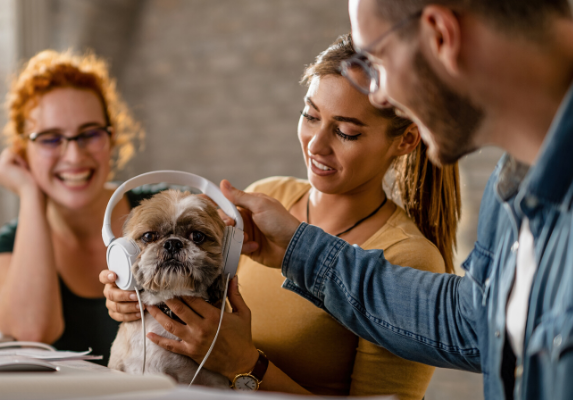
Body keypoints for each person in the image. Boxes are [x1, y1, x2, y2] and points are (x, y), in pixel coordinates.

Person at [213, 1, 573, 399]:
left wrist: (246, 366)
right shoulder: (512, 183)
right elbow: (470, 320)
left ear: (441, 35)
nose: (381, 94)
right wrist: (299, 251)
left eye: (376, 63)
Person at [101, 35, 461, 398]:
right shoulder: (268, 198)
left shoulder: (408, 257)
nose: (316, 144)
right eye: (310, 115)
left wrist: (245, 365)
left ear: (406, 140)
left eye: (346, 132)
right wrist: (134, 296)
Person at [0, 49, 157, 365]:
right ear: (23, 150)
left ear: (112, 138)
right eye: (50, 139)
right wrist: (29, 193)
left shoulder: (166, 207)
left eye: (90, 134)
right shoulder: (9, 245)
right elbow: (32, 333)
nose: (75, 156)